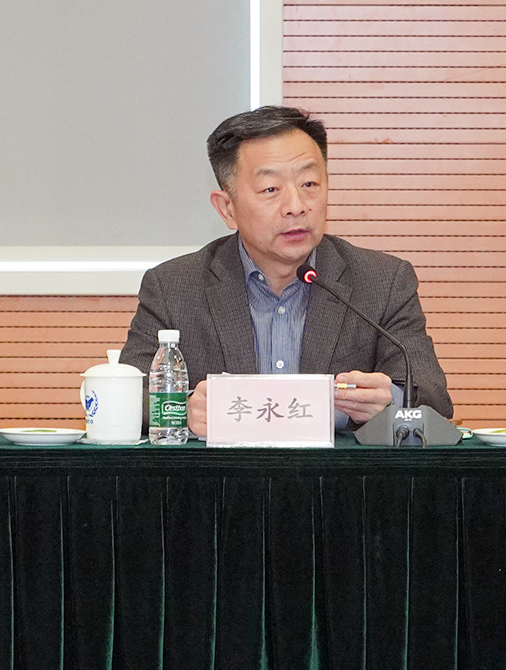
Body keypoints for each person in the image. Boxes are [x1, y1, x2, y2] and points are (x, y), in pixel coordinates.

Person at [121, 105, 450, 436]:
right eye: (271, 189)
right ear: (227, 208)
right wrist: (182, 408)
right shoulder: (174, 287)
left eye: (309, 183)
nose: (296, 206)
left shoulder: (382, 281)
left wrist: (391, 400)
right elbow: (127, 396)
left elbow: (433, 397)